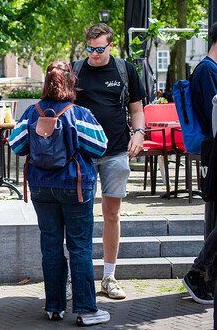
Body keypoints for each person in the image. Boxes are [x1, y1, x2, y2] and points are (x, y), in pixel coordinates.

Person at [10, 62, 110, 326]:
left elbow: (17, 145)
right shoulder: (79, 114)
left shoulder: (32, 113)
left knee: (51, 246)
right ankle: (87, 310)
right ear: (70, 82)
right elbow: (100, 147)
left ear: (46, 83)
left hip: (41, 189)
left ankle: (54, 307)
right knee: (79, 247)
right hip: (75, 187)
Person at [73, 23, 144, 300]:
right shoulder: (76, 70)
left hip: (115, 152)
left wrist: (138, 133)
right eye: (89, 48)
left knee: (111, 214)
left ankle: (109, 277)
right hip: (82, 155)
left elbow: (136, 109)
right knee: (79, 216)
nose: (94, 54)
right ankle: (77, 278)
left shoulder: (125, 70)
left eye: (99, 49)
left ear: (110, 45)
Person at [183, 22, 217, 305]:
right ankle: (199, 272)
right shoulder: (207, 70)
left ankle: (204, 274)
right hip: (215, 149)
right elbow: (212, 114)